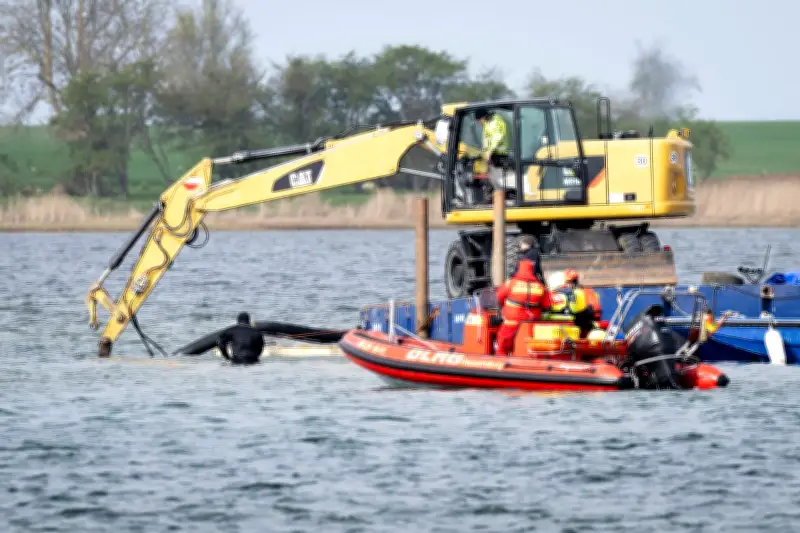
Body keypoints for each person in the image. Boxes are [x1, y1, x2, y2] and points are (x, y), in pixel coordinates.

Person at [494, 244, 552, 356]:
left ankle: (500, 361)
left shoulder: (511, 283)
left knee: (502, 343)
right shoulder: (540, 287)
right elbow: (547, 305)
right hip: (533, 322)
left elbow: (498, 297)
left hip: (512, 321)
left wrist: (501, 311)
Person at [475, 108, 515, 198]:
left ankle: (500, 194)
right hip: (493, 153)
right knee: (486, 172)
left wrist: (489, 152)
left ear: (483, 117)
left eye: (479, 120)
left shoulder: (495, 121)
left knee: (496, 175)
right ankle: (493, 194)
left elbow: (497, 137)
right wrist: (485, 152)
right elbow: (486, 139)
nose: (479, 123)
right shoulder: (487, 123)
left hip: (500, 153)